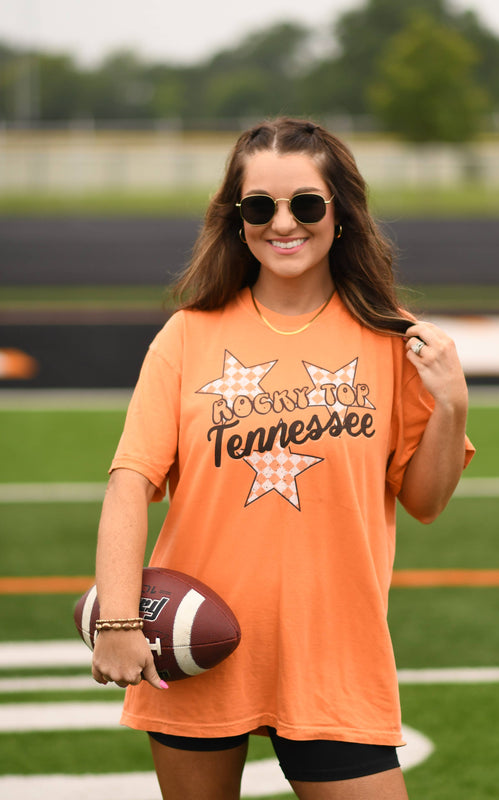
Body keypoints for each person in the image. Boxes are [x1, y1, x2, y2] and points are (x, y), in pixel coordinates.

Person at [92, 117, 474, 800]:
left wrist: (450, 406)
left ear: (340, 214)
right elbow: (129, 482)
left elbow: (424, 501)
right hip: (193, 648)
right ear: (236, 219)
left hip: (334, 653)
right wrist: (119, 622)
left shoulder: (390, 338)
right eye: (259, 206)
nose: (282, 223)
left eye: (304, 203)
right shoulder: (188, 335)